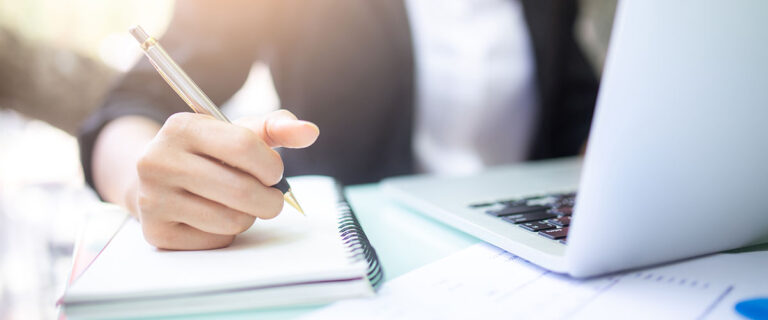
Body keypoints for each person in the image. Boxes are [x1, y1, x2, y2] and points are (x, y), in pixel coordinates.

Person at [78, 0, 599, 250]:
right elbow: (129, 106)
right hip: (348, 251)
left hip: (531, 246)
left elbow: (578, 111)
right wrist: (141, 182)